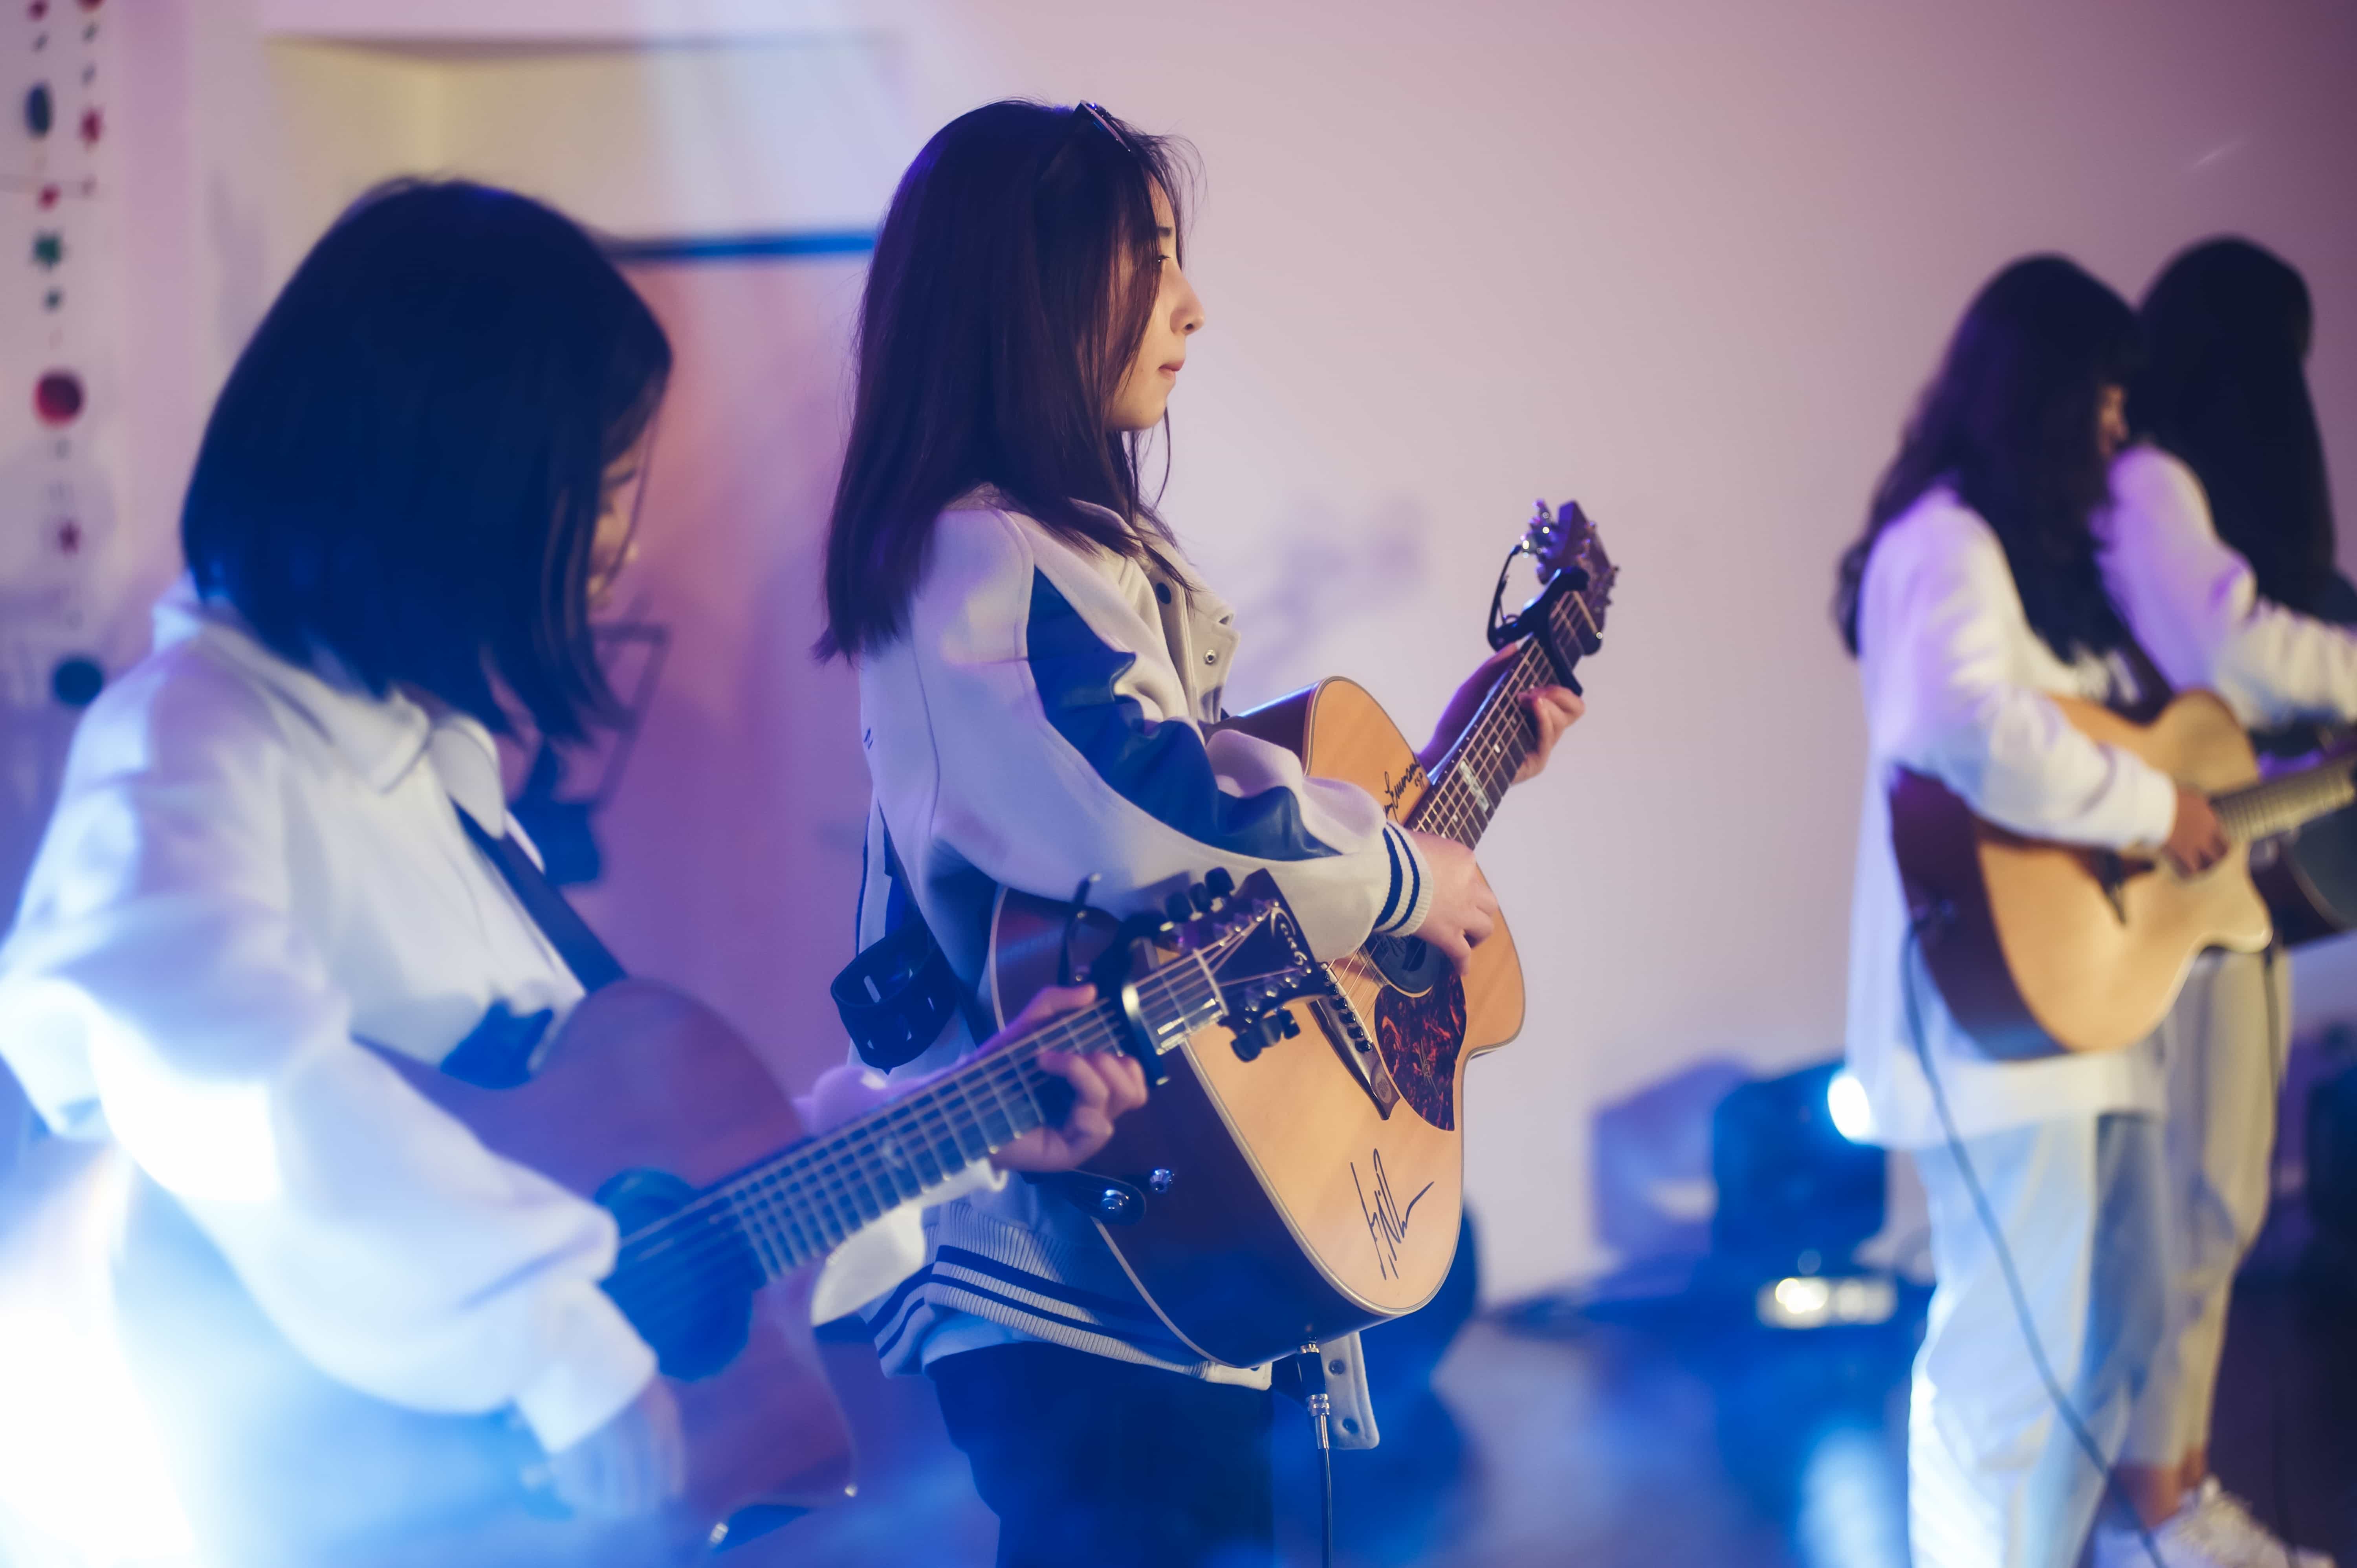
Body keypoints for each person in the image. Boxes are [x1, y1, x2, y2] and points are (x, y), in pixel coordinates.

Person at [0, 178, 1142, 1567]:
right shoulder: (193, 737)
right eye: (601, 493)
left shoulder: (431, 770)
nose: (623, 544)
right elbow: (221, 1076)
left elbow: (646, 1210)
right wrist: (551, 1342)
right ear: (453, 484)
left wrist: (955, 1125)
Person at [818, 100, 1583, 1568]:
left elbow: (1196, 871)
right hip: (1070, 1279)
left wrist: (1456, 776)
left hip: (1142, 1273)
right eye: (1151, 258)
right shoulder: (985, 553)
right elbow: (1149, 810)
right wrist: (1406, 874)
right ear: (1036, 288)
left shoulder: (1060, 551)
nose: (1191, 305)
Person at [1833, 256, 2190, 1568]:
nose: (2117, 430)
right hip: (1993, 1020)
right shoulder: (1945, 543)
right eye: (2102, 400)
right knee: (2003, 1361)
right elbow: (1968, 729)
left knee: (2083, 1346)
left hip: (2062, 1016)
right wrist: (2153, 807)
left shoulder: (2019, 559)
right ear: (2044, 395)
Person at [2085, 236, 2350, 1568]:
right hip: (2170, 905)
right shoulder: (2148, 482)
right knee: (2187, 1208)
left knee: (2224, 1206)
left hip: (2231, 899)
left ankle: (2177, 1494)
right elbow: (2226, 649)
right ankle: (2152, 1510)